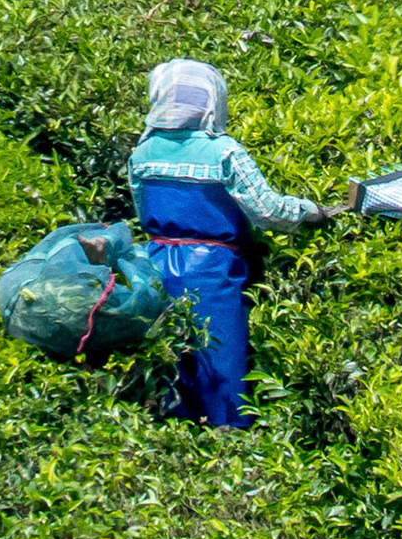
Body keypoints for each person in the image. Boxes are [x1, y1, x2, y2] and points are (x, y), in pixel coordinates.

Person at [127, 59, 332, 428]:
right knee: (222, 368)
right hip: (213, 270)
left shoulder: (142, 154)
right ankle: (229, 446)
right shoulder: (223, 152)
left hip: (155, 264)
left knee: (172, 363)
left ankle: (174, 447)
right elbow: (269, 211)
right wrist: (313, 212)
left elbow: (143, 213)